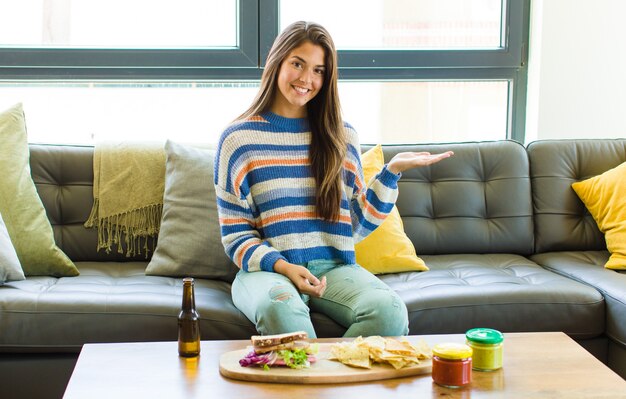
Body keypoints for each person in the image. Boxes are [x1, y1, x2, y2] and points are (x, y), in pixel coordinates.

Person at [214, 21, 453, 338]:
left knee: (390, 313)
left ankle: (327, 382)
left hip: (336, 269)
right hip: (267, 272)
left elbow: (353, 225)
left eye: (318, 70)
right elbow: (236, 237)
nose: (306, 79)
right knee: (279, 310)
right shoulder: (238, 140)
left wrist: (391, 173)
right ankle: (318, 383)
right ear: (277, 63)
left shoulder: (342, 136)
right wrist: (285, 267)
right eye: (297, 64)